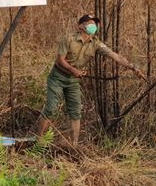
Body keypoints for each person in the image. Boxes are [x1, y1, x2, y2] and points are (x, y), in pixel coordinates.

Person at [37, 14, 146, 145]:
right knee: (51, 109)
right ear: (80, 26)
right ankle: (39, 142)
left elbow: (114, 55)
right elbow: (60, 60)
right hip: (58, 77)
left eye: (94, 23)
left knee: (76, 112)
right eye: (89, 23)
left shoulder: (95, 43)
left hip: (73, 81)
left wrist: (133, 67)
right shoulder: (68, 39)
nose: (93, 26)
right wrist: (74, 70)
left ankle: (74, 145)